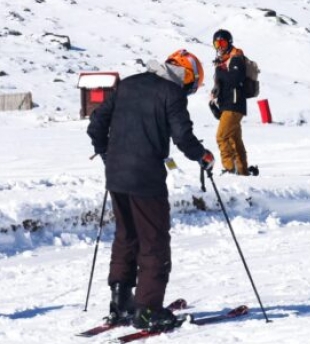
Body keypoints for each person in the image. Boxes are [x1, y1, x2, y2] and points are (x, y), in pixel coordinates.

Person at [87, 49, 215, 329]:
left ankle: (121, 304)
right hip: (146, 178)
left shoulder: (128, 83)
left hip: (116, 176)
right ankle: (147, 310)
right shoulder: (172, 93)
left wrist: (106, 154)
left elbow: (96, 123)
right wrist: (203, 156)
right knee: (153, 240)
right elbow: (182, 137)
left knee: (126, 236)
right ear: (189, 78)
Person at [209, 29, 253, 176]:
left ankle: (229, 169)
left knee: (221, 137)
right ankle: (242, 171)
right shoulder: (222, 62)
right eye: (217, 43)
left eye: (222, 42)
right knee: (235, 140)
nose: (220, 46)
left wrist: (220, 70)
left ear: (229, 43)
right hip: (229, 105)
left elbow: (235, 79)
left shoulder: (236, 59)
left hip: (234, 105)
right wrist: (215, 104)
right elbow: (224, 86)